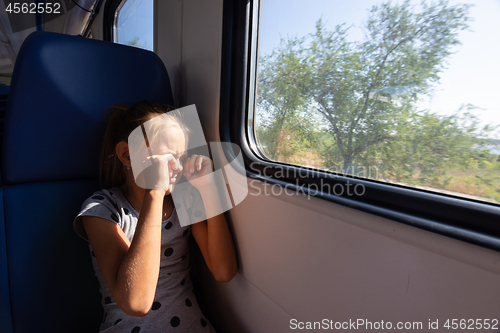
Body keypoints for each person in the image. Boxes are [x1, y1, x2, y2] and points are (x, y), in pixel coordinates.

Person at [73, 100, 237, 332]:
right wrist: (155, 192)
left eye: (180, 157)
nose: (177, 167)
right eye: (167, 156)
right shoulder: (101, 210)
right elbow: (136, 304)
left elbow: (224, 271)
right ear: (127, 155)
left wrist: (208, 189)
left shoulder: (183, 202)